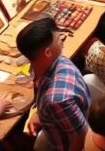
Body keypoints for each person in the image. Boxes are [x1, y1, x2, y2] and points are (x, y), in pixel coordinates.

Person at [17, 18, 91, 151]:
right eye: (59, 39)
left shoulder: (57, 100)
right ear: (47, 52)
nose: (62, 42)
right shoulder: (56, 61)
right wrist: (40, 114)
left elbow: (82, 136)